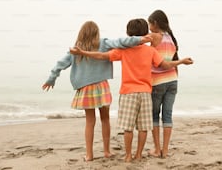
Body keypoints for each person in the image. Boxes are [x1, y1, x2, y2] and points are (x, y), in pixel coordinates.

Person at [69, 18, 193, 162]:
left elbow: (101, 56)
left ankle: (128, 155)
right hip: (146, 93)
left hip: (128, 92)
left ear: (128, 33)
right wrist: (181, 61)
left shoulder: (124, 50)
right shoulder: (150, 51)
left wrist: (83, 52)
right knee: (143, 127)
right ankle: (139, 154)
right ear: (145, 33)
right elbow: (165, 65)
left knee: (128, 128)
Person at [42, 20, 151, 162]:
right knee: (105, 119)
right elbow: (122, 41)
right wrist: (140, 39)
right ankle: (106, 151)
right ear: (96, 33)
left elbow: (59, 64)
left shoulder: (76, 50)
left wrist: (51, 79)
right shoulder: (103, 43)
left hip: (86, 89)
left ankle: (89, 154)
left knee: (90, 122)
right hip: (101, 87)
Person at [147, 9, 182, 158]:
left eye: (149, 24)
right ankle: (165, 151)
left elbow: (137, 42)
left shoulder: (155, 36)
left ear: (155, 23)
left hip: (157, 81)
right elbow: (174, 60)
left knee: (154, 115)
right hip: (173, 80)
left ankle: (157, 149)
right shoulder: (171, 38)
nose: (149, 27)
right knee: (167, 115)